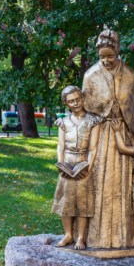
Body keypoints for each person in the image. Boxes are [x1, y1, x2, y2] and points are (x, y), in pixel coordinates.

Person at [82, 29, 134, 249]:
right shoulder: (90, 75)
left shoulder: (130, 75)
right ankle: (95, 237)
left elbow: (132, 107)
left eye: (110, 56)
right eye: (101, 57)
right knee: (99, 181)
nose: (106, 61)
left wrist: (133, 135)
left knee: (121, 185)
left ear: (117, 51)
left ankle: (121, 237)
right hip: (100, 133)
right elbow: (84, 109)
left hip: (122, 133)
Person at [52, 86, 101, 250]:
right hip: (67, 162)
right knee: (66, 202)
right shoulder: (63, 122)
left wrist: (88, 166)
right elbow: (60, 146)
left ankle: (80, 237)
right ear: (66, 103)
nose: (75, 103)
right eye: (71, 101)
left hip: (83, 162)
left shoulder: (92, 121)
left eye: (78, 99)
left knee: (82, 203)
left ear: (82, 98)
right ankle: (68, 234)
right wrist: (61, 164)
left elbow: (93, 148)